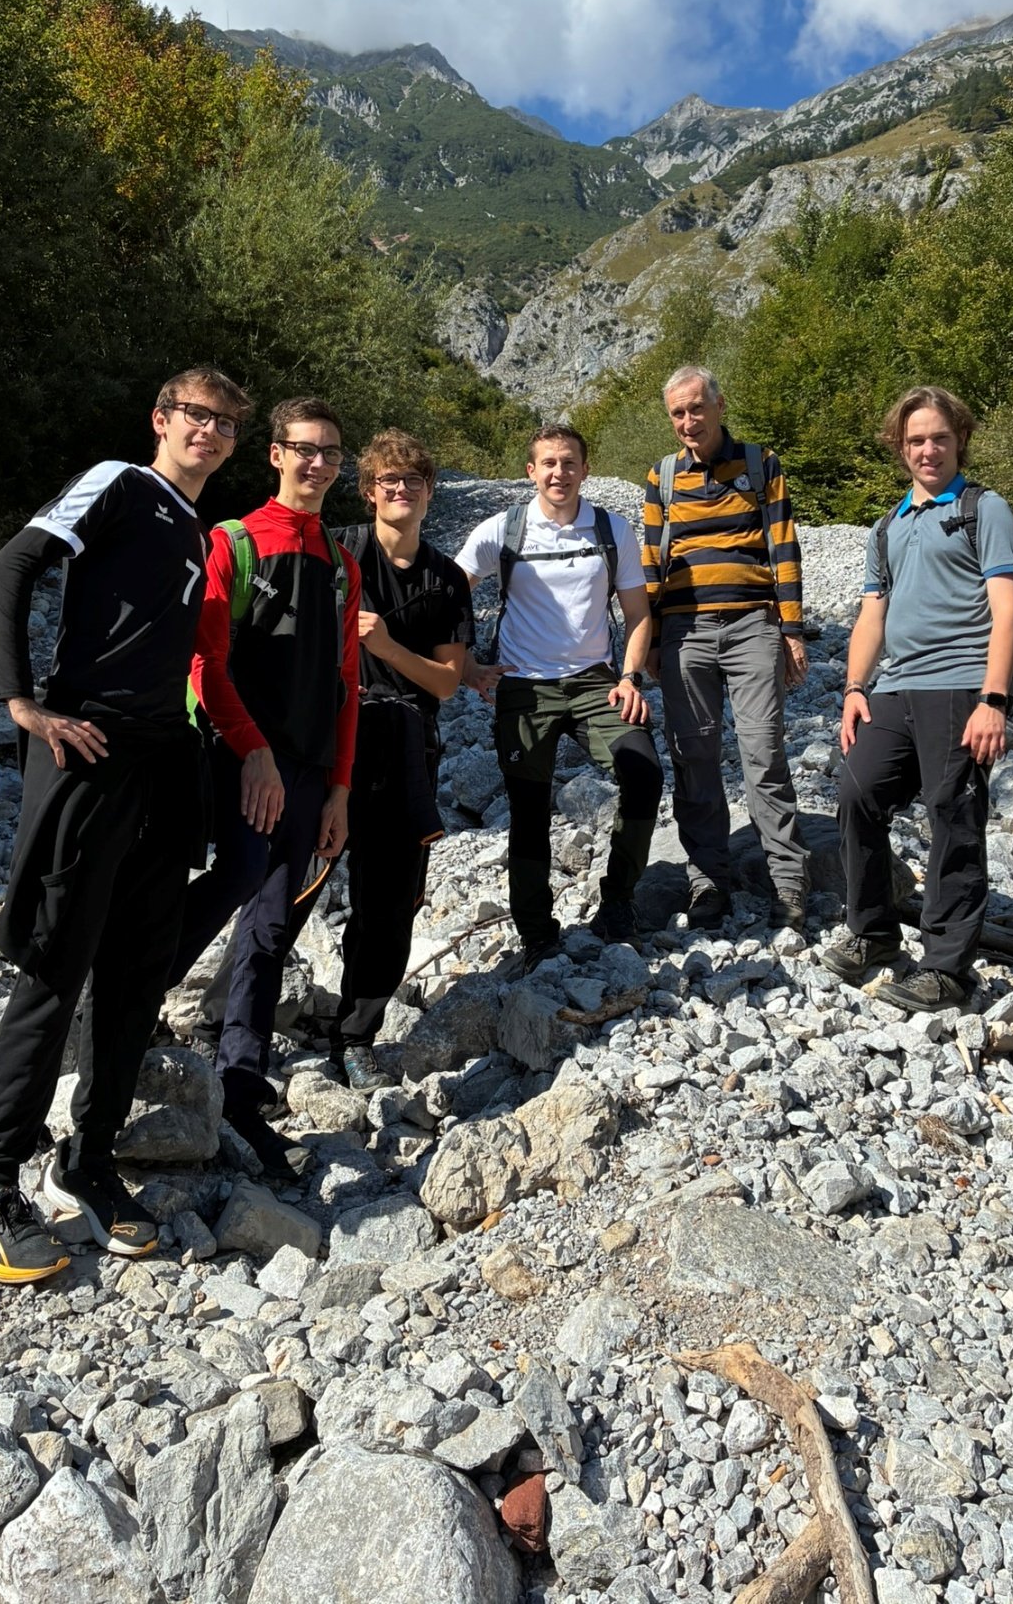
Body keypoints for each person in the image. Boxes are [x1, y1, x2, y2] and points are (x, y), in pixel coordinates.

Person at [0, 366, 248, 1284]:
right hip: (87, 743)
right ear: (162, 418)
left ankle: (90, 1160)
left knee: (136, 972)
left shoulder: (195, 527)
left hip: (162, 759)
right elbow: (13, 564)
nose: (211, 430)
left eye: (226, 422)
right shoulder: (120, 480)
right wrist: (19, 702)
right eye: (197, 414)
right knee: (55, 965)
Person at [163, 397, 360, 1176]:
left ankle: (240, 1080)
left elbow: (346, 681)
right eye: (304, 450)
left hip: (311, 769)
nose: (316, 465)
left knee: (274, 923)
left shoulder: (340, 563)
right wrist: (252, 752)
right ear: (274, 455)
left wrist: (340, 790)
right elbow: (204, 660)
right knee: (240, 875)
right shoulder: (233, 541)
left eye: (330, 454)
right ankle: (131, 991)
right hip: (243, 759)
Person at [823, 386, 1013, 1012]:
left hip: (961, 682)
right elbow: (870, 616)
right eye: (916, 440)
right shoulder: (887, 525)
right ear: (899, 447)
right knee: (858, 793)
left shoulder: (983, 509)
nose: (928, 449)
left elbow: (1007, 604)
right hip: (895, 686)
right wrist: (855, 688)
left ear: (958, 438)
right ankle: (875, 932)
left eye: (939, 437)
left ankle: (947, 967)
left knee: (952, 813)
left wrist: (995, 698)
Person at [285, 430, 472, 1089]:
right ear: (367, 491)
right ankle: (235, 1016)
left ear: (427, 493)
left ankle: (356, 1031)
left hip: (406, 743)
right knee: (292, 880)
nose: (399, 490)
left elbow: (448, 682)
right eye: (387, 481)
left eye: (411, 482)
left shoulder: (446, 579)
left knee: (389, 901)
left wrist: (389, 648)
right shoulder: (334, 555)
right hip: (329, 736)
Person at [457, 425, 661, 970]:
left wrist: (631, 678)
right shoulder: (504, 530)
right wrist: (467, 665)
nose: (558, 473)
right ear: (531, 471)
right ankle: (536, 931)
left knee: (643, 772)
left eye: (569, 463)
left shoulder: (612, 530)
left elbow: (640, 616)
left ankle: (618, 903)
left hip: (598, 682)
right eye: (547, 463)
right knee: (528, 810)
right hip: (524, 687)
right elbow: (449, 593)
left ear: (584, 469)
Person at [643, 366, 809, 930]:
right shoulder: (661, 478)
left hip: (751, 626)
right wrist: (649, 642)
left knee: (764, 755)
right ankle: (707, 881)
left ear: (719, 405)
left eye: (696, 409)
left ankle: (788, 882)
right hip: (683, 634)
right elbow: (650, 564)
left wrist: (791, 630)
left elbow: (783, 547)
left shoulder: (761, 465)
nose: (688, 422)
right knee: (695, 758)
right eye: (677, 413)